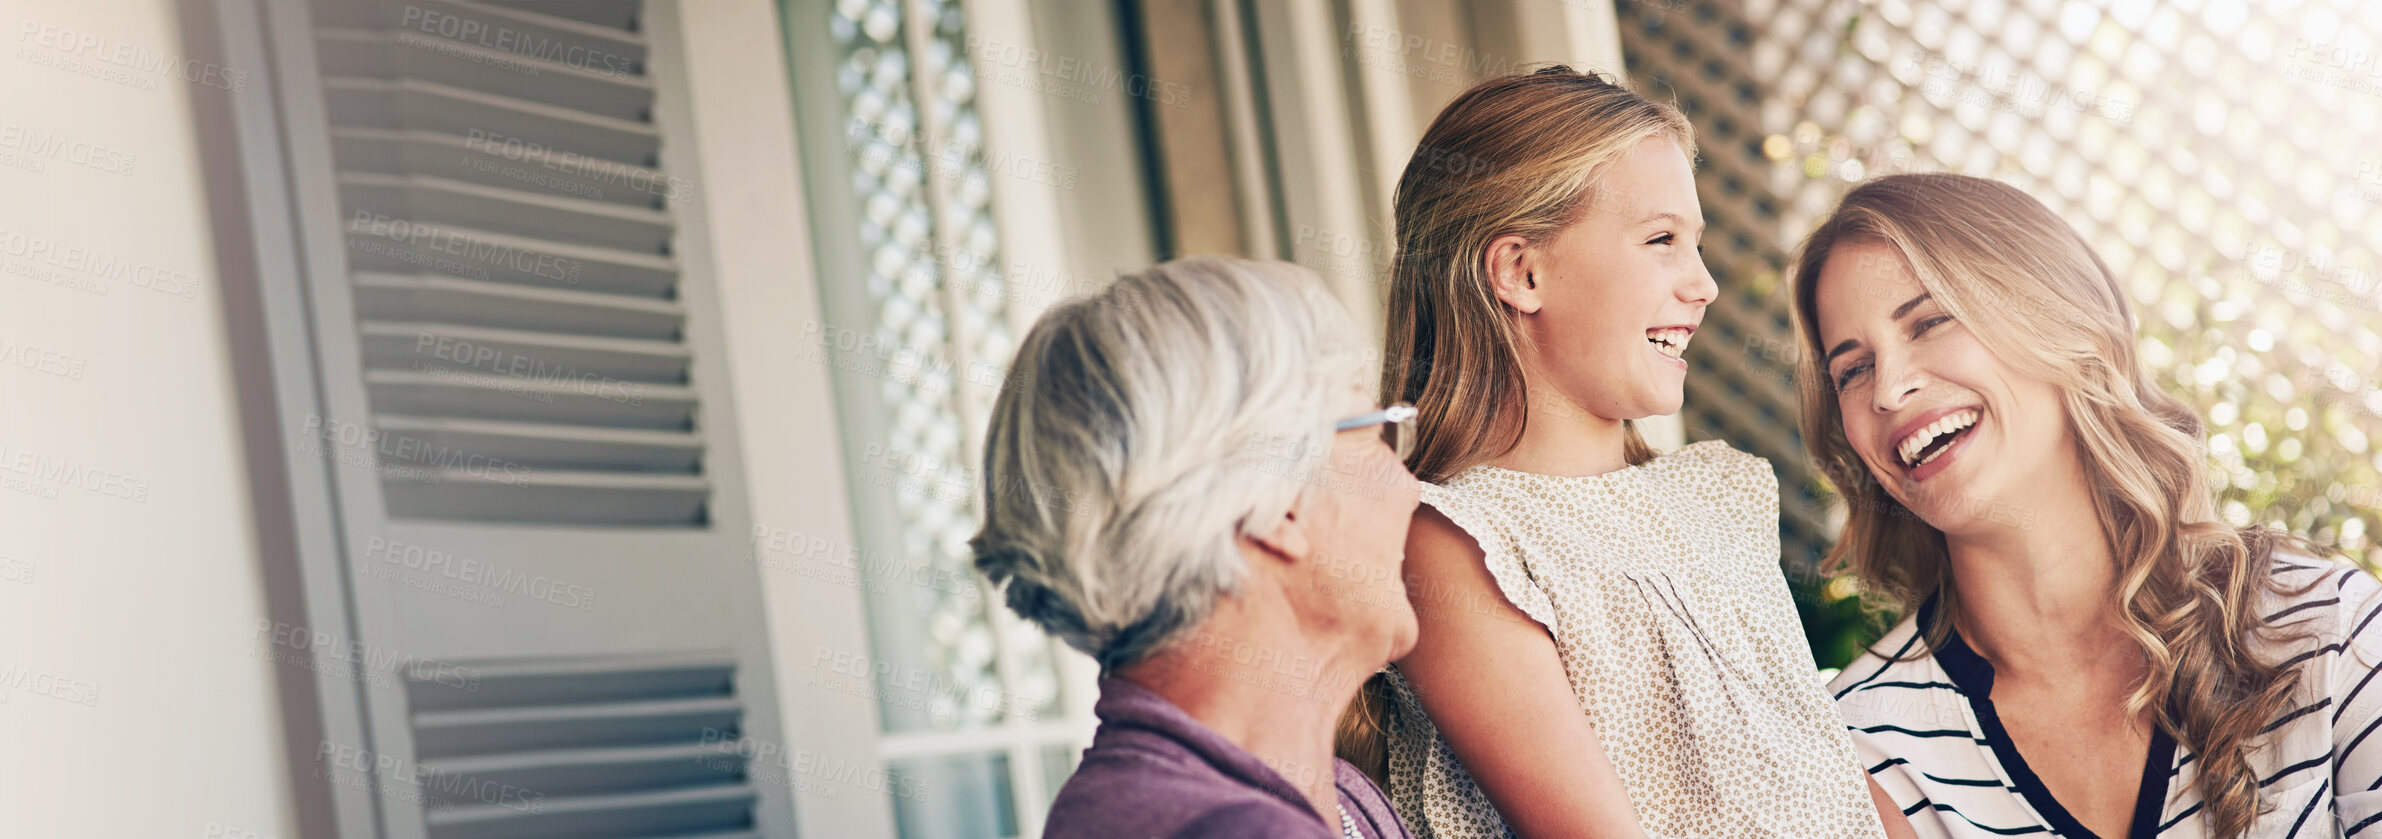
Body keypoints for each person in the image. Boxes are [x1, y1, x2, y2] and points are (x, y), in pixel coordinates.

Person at [1344, 66, 1910, 838]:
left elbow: (1828, 777)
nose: (1704, 284)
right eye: (1662, 240)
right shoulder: (1457, 541)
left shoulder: (1718, 496)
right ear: (1521, 271)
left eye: (1696, 244)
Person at [1800, 173, 2382, 837]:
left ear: (2054, 315)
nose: (1890, 388)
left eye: (1930, 321)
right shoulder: (1856, 756)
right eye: (1852, 369)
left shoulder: (2326, 632)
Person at [972, 256, 1423, 838]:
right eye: (1371, 433)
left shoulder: (1334, 800)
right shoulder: (1228, 827)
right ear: (1281, 500)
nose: (1409, 485)